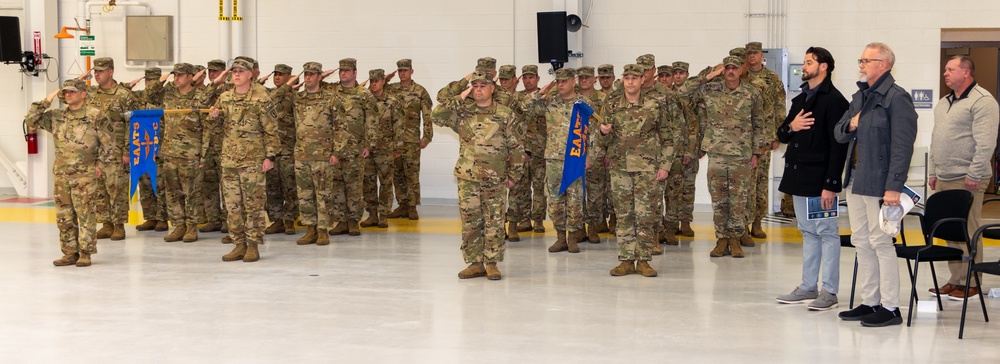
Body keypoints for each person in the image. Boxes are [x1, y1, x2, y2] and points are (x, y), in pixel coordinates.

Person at [834, 42, 917, 327]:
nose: (861, 65)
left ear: (883, 64)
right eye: (860, 60)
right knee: (861, 241)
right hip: (855, 180)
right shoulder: (860, 97)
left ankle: (891, 307)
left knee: (881, 242)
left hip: (880, 183)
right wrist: (852, 124)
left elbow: (902, 146)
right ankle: (870, 301)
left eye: (865, 60)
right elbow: (839, 132)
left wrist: (894, 185)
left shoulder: (897, 98)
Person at [774, 47, 850, 311]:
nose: (803, 67)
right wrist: (791, 127)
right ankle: (808, 286)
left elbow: (839, 147)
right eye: (804, 62)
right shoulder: (801, 98)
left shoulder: (835, 101)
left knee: (826, 233)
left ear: (824, 66)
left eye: (809, 62)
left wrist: (831, 184)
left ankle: (829, 291)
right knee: (808, 232)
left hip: (820, 182)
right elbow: (782, 134)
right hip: (799, 178)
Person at [432, 71, 524, 281]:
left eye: (483, 85)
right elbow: (437, 116)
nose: (479, 89)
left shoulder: (505, 114)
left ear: (493, 88)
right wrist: (460, 96)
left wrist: (514, 175)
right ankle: (474, 263)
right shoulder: (463, 112)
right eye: (475, 86)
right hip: (468, 178)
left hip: (495, 178)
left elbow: (516, 147)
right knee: (470, 221)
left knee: (495, 221)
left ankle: (491, 263)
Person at [591, 64, 677, 277]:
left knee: (645, 215)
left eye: (634, 78)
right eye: (627, 78)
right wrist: (603, 133)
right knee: (624, 215)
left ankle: (644, 260)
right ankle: (626, 260)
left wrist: (665, 166)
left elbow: (668, 138)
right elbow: (602, 142)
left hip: (647, 169)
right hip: (620, 169)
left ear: (642, 80)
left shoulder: (655, 105)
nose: (630, 82)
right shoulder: (611, 105)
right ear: (622, 80)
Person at [927, 55, 1000, 300]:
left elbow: (986, 143)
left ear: (966, 72)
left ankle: (972, 282)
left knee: (969, 231)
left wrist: (974, 173)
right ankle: (955, 280)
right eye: (945, 69)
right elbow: (936, 139)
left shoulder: (983, 101)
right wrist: (933, 172)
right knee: (950, 232)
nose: (945, 73)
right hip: (944, 176)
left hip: (968, 178)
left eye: (950, 69)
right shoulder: (944, 102)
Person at [679, 56, 766, 259]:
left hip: (741, 155)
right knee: (719, 200)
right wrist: (709, 75)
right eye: (727, 68)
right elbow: (683, 92)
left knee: (738, 200)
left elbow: (759, 124)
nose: (731, 71)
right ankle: (721, 240)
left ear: (741, 70)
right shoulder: (711, 89)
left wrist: (756, 153)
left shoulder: (751, 93)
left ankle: (734, 240)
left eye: (735, 68)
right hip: (717, 154)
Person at [26, 79, 115, 267]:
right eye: (65, 92)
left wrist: (100, 165)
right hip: (62, 174)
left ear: (83, 94)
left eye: (72, 92)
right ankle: (69, 252)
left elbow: (109, 143)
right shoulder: (57, 116)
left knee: (86, 215)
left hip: (85, 175)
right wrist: (46, 101)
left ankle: (85, 253)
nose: (68, 94)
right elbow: (31, 120)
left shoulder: (95, 116)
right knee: (64, 216)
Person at [208, 59, 282, 262]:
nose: (237, 74)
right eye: (234, 71)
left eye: (241, 71)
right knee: (232, 206)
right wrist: (214, 117)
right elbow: (215, 128)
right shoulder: (225, 97)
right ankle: (239, 244)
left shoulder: (261, 98)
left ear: (251, 74)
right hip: (229, 160)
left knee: (254, 206)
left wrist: (270, 156)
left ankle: (253, 245)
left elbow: (272, 131)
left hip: (253, 161)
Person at [522, 68, 590, 253]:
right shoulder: (549, 102)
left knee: (575, 200)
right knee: (555, 200)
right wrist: (539, 93)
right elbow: (523, 108)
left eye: (564, 81)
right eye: (558, 81)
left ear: (573, 81)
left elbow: (592, 132)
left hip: (575, 158)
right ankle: (560, 237)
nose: (560, 84)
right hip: (553, 159)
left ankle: (573, 238)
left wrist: (590, 156)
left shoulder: (583, 104)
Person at [146, 63, 215, 243]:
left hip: (191, 154)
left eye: (180, 75)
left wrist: (203, 154)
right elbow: (149, 95)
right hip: (169, 152)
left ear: (190, 77)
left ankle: (191, 227)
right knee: (172, 193)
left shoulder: (200, 97)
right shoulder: (169, 93)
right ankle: (178, 226)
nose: (176, 78)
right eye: (174, 75)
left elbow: (207, 127)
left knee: (192, 193)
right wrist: (163, 78)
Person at [275, 62, 341, 245]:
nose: (308, 77)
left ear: (320, 76)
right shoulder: (298, 98)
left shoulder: (330, 99)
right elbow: (273, 100)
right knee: (305, 195)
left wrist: (337, 152)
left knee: (323, 195)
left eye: (312, 74)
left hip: (323, 155)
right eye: (306, 74)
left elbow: (340, 127)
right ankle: (310, 230)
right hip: (302, 155)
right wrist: (289, 84)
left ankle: (323, 231)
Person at [82, 57, 139, 241]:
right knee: (99, 190)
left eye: (101, 71)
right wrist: (80, 79)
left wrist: (127, 151)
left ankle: (119, 225)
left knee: (117, 190)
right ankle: (106, 224)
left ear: (111, 71)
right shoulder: (90, 93)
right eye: (95, 71)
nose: (97, 74)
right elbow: (64, 95)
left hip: (116, 151)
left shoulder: (124, 95)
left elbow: (133, 124)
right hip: (95, 152)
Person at [324, 58, 377, 236]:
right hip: (335, 149)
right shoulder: (332, 91)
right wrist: (323, 75)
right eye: (341, 71)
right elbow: (314, 85)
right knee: (337, 186)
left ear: (355, 72)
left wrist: (369, 144)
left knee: (354, 186)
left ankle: (354, 221)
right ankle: (341, 221)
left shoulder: (364, 94)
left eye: (347, 70)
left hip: (355, 148)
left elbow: (372, 120)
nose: (343, 73)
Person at [745, 42, 787, 240]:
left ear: (762, 55)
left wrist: (777, 135)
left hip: (764, 138)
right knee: (744, 184)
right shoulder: (741, 77)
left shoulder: (771, 78)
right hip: (743, 139)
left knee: (761, 182)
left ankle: (757, 223)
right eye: (748, 53)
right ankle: (742, 224)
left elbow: (780, 105)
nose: (751, 56)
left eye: (755, 53)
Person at [384, 59, 433, 221]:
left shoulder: (419, 91)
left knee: (411, 174)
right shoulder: (392, 89)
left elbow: (427, 115)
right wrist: (386, 79)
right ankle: (402, 205)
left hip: (411, 140)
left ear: (411, 71)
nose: (402, 73)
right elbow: (375, 90)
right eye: (400, 70)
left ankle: (412, 206)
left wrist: (427, 137)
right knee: (397, 174)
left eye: (405, 70)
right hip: (395, 141)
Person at [362, 68, 404, 229]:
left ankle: (383, 215)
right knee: (368, 183)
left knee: (386, 182)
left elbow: (399, 125)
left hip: (385, 149)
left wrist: (398, 147)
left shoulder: (392, 102)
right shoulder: (364, 100)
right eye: (371, 81)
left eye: (377, 81)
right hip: (367, 149)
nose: (373, 84)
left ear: (383, 81)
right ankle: (372, 214)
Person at [130, 67, 169, 233]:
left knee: (159, 183)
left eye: (154, 80)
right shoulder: (139, 97)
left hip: (159, 146)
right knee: (144, 182)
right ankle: (150, 217)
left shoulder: (167, 96)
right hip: (142, 146)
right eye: (147, 80)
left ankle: (162, 218)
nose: (150, 83)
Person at [263, 64, 299, 236]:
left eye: (281, 74)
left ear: (289, 77)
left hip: (288, 150)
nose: (277, 77)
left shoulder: (295, 97)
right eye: (275, 74)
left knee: (290, 187)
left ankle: (290, 220)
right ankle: (276, 221)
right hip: (271, 151)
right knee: (272, 188)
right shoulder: (268, 95)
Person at [577, 65, 609, 243]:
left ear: (594, 79)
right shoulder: (572, 99)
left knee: (596, 192)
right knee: (576, 191)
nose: (584, 80)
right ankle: (579, 226)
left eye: (587, 77)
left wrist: (605, 151)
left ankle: (593, 227)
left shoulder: (603, 99)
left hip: (596, 150)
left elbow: (608, 125)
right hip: (576, 150)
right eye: (581, 77)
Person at [199, 59, 229, 235]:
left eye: (216, 71)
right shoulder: (207, 91)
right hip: (208, 145)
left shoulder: (230, 91)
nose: (212, 74)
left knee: (226, 185)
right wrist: (214, 84)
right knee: (209, 185)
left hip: (224, 145)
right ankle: (213, 219)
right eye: (210, 71)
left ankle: (227, 220)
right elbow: (201, 102)